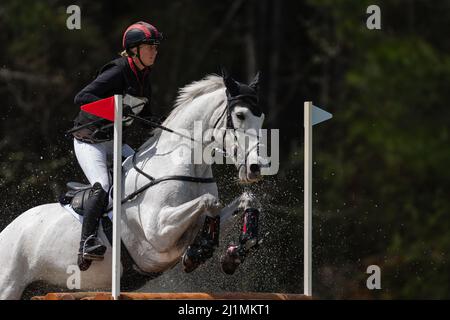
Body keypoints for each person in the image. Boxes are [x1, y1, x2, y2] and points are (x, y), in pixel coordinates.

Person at [70, 21, 163, 263]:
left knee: (149, 176)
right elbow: (82, 97)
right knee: (102, 184)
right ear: (134, 50)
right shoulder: (118, 70)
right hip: (89, 141)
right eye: (149, 46)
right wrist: (115, 109)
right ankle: (86, 242)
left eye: (155, 47)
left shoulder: (144, 77)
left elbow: (146, 117)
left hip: (114, 141)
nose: (154, 51)